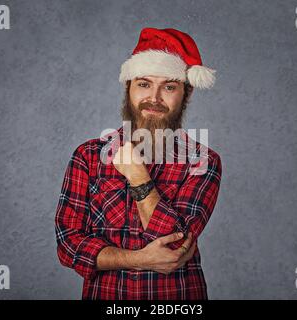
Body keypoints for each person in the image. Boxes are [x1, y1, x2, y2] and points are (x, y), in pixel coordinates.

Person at [55, 27, 222, 300]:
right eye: (144, 84)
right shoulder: (87, 156)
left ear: (187, 94)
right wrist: (138, 259)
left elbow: (175, 246)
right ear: (128, 87)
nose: (154, 98)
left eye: (169, 86)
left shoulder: (202, 161)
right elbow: (68, 245)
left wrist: (137, 175)